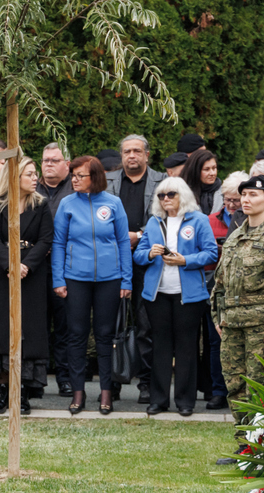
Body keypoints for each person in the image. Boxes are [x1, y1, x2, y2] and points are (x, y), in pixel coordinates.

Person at [210, 175, 264, 424]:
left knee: (261, 388)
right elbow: (220, 283)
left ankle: (261, 443)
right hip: (232, 325)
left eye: (253, 195)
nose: (246, 200)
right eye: (244, 195)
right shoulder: (235, 237)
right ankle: (244, 441)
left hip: (262, 328)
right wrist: (218, 316)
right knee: (235, 386)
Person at [51, 156, 132, 415]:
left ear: (94, 177)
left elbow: (123, 242)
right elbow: (59, 243)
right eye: (73, 175)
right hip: (75, 279)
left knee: (105, 336)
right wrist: (58, 279)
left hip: (110, 279)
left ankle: (106, 392)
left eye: (80, 175)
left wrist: (126, 279)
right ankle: (78, 392)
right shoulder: (67, 204)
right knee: (76, 335)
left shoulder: (114, 203)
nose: (74, 180)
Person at [133, 177, 218, 416]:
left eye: (171, 194)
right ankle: (158, 400)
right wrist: (149, 253)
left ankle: (185, 401)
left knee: (186, 347)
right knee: (160, 346)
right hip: (157, 294)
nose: (166, 199)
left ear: (183, 195)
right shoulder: (154, 222)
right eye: (161, 195)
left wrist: (185, 260)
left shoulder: (199, 220)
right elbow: (138, 255)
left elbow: (211, 253)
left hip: (188, 295)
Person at [0, 157, 54, 414]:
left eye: (35, 174)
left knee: (29, 329)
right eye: (30, 174)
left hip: (31, 275)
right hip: (1, 274)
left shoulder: (41, 205)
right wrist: (11, 265)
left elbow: (46, 239)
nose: (35, 178)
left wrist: (26, 265)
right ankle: (3, 389)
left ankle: (23, 391)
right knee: (1, 329)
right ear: (14, 177)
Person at [105, 134, 167, 405]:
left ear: (146, 155)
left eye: (137, 151)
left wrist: (139, 235)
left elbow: (164, 215)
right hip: (112, 260)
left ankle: (145, 383)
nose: (132, 155)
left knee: (145, 325)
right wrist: (122, 238)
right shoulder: (107, 182)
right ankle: (112, 383)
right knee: (111, 323)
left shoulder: (162, 182)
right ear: (121, 156)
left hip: (147, 261)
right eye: (127, 151)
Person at [205, 171, 249, 411]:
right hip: (219, 286)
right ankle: (218, 391)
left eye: (235, 200)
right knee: (216, 341)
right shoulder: (210, 220)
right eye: (227, 199)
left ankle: (243, 391)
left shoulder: (251, 220)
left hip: (245, 290)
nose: (231, 205)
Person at [38, 142, 74, 397]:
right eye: (45, 160)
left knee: (65, 327)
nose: (48, 164)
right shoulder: (30, 187)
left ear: (67, 165)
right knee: (37, 326)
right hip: (36, 269)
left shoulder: (76, 188)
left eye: (54, 160)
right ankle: (36, 378)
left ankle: (65, 377)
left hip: (67, 269)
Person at [181, 149, 222, 215]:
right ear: (196, 171)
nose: (212, 173)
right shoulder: (182, 194)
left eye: (214, 168)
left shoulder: (225, 192)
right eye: (206, 169)